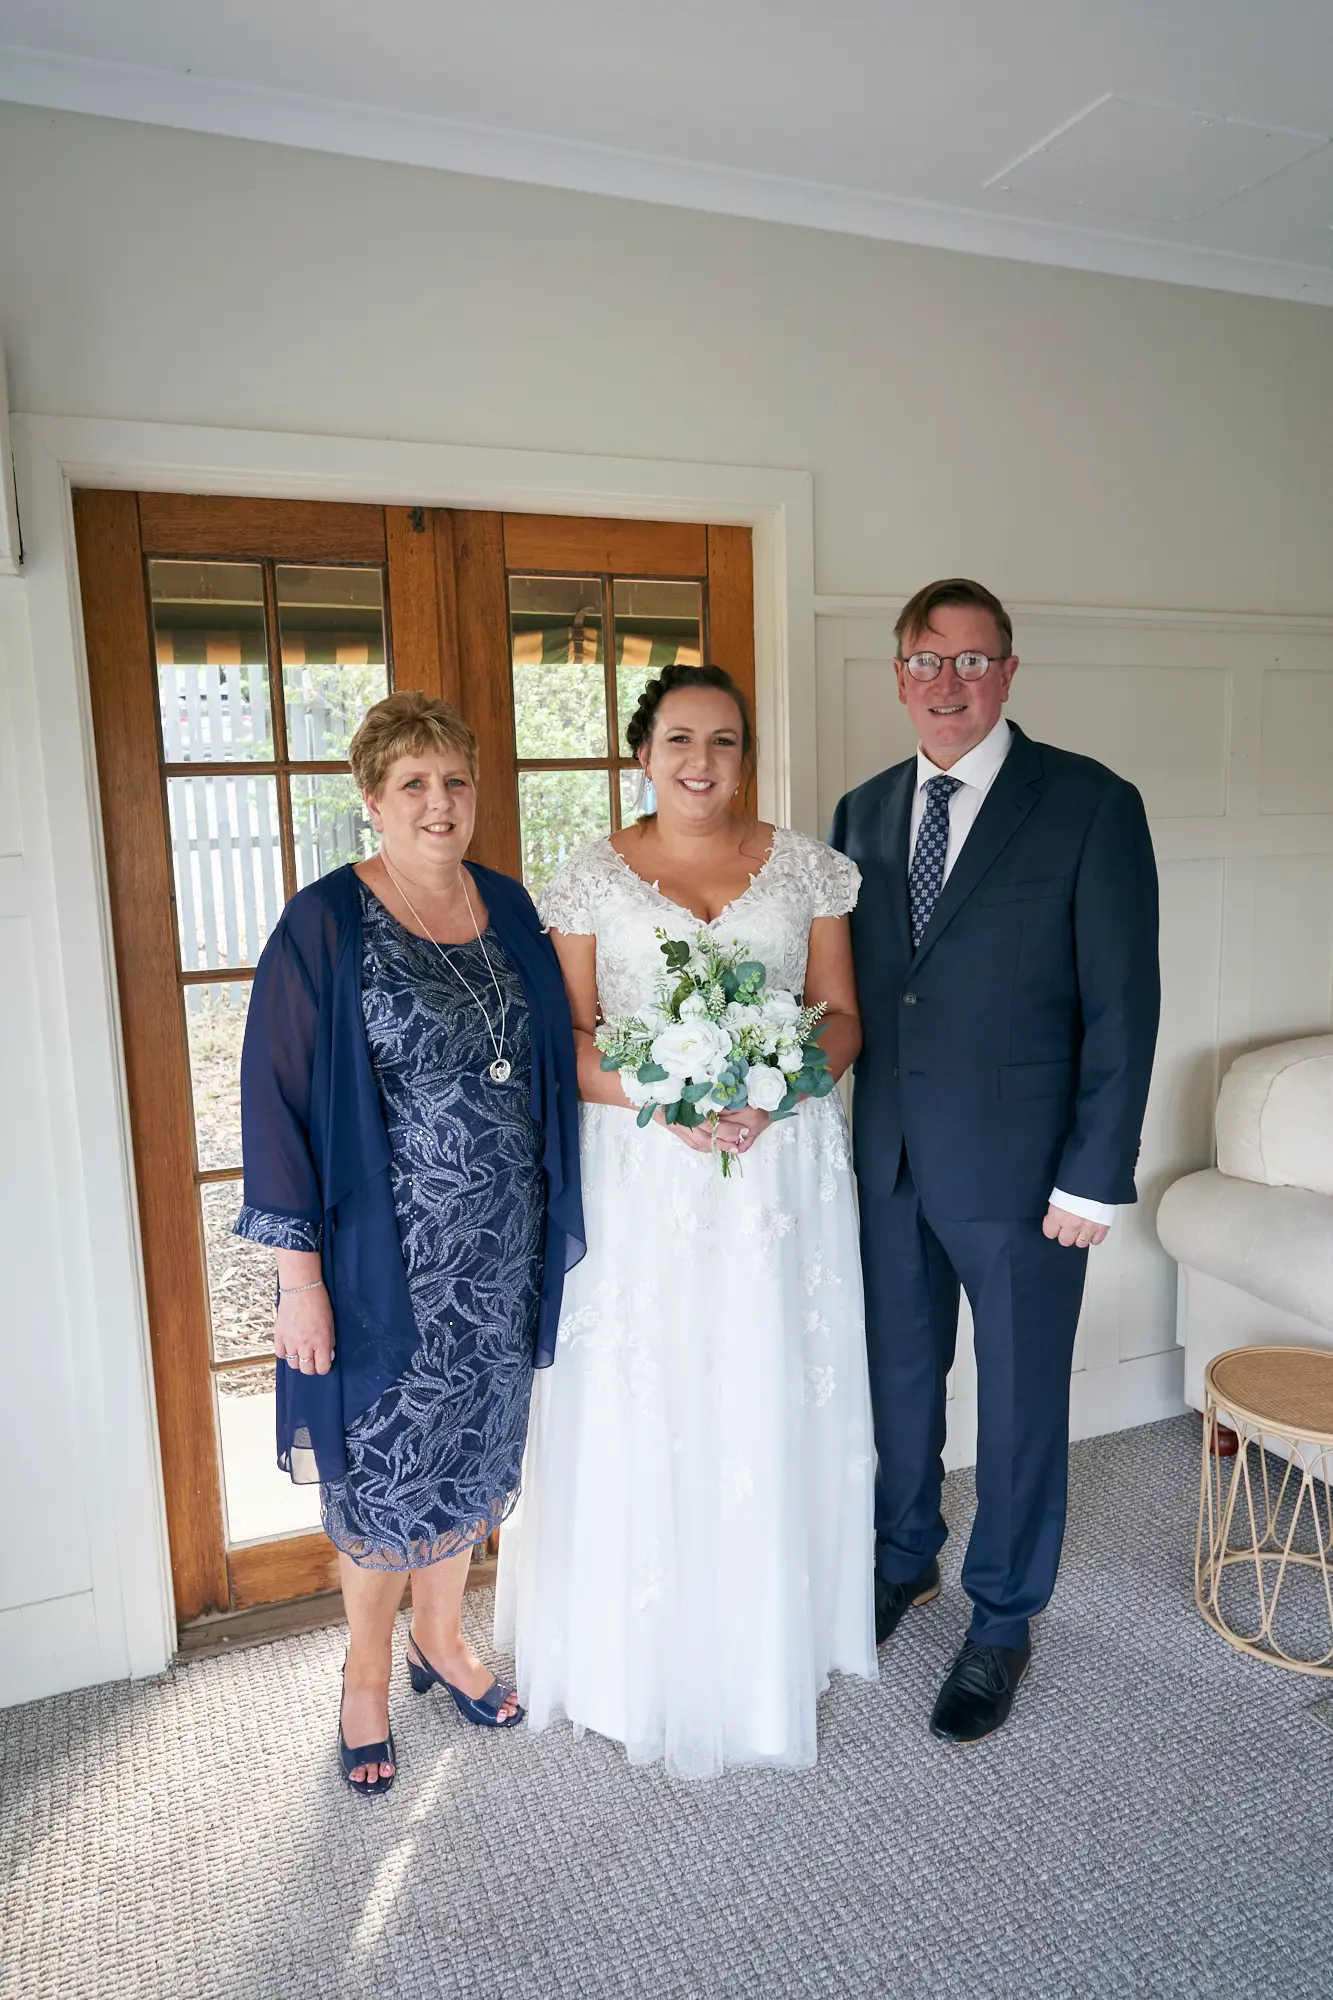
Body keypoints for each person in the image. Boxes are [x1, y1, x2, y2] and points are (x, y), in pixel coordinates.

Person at [494, 663, 877, 1779]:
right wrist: (667, 1096)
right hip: (643, 1173)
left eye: (721, 740)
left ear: (742, 752)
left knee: (763, 1379)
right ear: (642, 750)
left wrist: (776, 1086)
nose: (700, 761)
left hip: (778, 1170)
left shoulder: (807, 865)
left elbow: (843, 1020)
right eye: (677, 739)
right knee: (646, 1388)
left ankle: (769, 1645)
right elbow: (568, 1043)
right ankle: (627, 1656)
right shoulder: (587, 875)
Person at [830, 577, 1160, 1743]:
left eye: (971, 661)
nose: (946, 684)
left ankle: (1003, 1618)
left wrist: (1092, 1173)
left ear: (1008, 672)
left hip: (1029, 1181)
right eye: (925, 659)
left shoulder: (1087, 803)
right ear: (898, 672)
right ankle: (903, 1555)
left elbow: (1123, 1005)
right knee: (900, 1386)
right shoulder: (859, 811)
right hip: (891, 1166)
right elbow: (860, 997)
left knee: (1018, 1409)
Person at [236, 690, 583, 1794]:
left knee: (472, 1459)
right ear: (374, 799)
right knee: (384, 1474)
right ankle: (367, 1672)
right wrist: (299, 1281)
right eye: (414, 784)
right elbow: (276, 1102)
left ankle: (445, 1637)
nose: (440, 803)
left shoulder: (511, 907)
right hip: (383, 1263)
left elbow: (549, 1059)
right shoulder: (327, 921)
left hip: (500, 1249)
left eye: (456, 781)